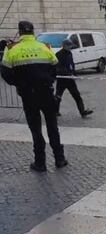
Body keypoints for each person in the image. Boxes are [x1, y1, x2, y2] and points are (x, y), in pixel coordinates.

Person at [1, 21, 67, 172]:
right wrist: (49, 80)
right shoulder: (44, 47)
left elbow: (5, 73)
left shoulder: (12, 49)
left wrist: (19, 84)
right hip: (46, 92)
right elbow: (54, 66)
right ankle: (59, 158)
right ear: (33, 32)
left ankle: (40, 163)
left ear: (19, 32)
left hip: (28, 95)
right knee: (52, 126)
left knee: (35, 128)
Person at [55, 39, 93, 117]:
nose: (70, 47)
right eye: (69, 46)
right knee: (58, 96)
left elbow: (71, 64)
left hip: (70, 79)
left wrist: (74, 73)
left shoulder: (69, 53)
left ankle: (82, 111)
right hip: (62, 79)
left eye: (70, 46)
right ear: (64, 46)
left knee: (76, 95)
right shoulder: (58, 54)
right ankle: (55, 111)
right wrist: (67, 73)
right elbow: (58, 67)